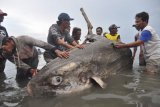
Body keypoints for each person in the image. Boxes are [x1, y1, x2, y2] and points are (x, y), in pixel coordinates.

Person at [1, 36, 70, 80]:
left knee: (35, 76)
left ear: (9, 42)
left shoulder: (24, 39)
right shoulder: (6, 54)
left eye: (3, 48)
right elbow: (20, 64)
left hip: (33, 57)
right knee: (20, 79)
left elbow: (43, 44)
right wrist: (31, 70)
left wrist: (57, 51)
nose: (3, 51)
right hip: (21, 62)